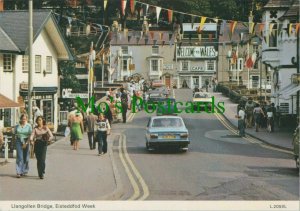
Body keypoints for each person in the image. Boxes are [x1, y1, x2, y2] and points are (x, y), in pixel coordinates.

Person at [14, 114, 32, 178]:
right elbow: (15, 134)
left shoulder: (29, 126)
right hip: (19, 140)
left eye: (25, 119)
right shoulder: (17, 126)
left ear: (26, 119)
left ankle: (24, 170)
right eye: (22, 119)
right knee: (19, 157)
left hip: (26, 140)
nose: (23, 120)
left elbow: (30, 135)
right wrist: (13, 143)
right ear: (21, 119)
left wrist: (26, 143)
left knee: (26, 157)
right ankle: (19, 172)